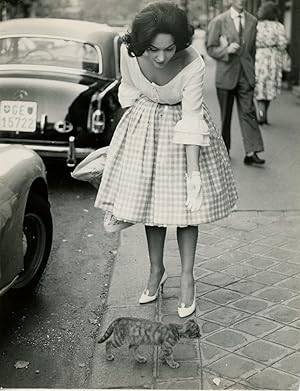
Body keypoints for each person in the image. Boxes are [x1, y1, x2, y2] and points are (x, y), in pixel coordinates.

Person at [94, 1, 238, 318]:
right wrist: (123, 152)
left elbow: (190, 119)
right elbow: (129, 91)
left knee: (187, 210)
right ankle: (156, 271)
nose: (161, 57)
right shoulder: (127, 51)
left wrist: (193, 176)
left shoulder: (193, 64)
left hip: (183, 128)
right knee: (152, 209)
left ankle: (187, 278)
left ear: (181, 43)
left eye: (170, 49)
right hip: (145, 124)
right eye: (153, 50)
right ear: (141, 45)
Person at [205, 0, 265, 166]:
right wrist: (226, 50)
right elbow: (210, 47)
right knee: (226, 117)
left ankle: (251, 152)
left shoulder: (253, 21)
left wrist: (252, 72)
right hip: (226, 76)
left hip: (246, 75)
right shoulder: (219, 21)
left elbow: (252, 51)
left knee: (249, 112)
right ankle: (225, 151)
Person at [255, 1, 288, 125]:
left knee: (259, 87)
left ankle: (261, 112)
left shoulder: (258, 25)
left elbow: (252, 42)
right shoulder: (278, 26)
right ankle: (264, 114)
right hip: (273, 59)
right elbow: (283, 44)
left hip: (259, 57)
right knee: (269, 88)